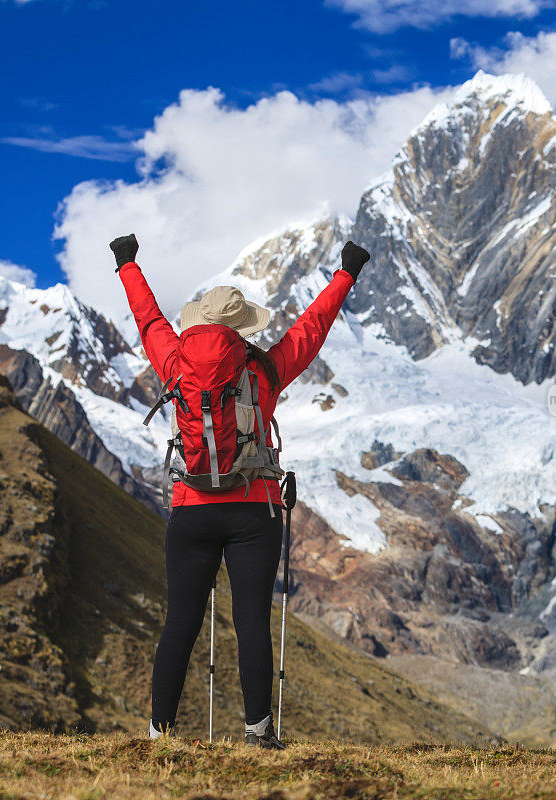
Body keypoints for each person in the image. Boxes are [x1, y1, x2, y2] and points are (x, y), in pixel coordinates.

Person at [109, 232, 370, 748]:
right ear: (239, 330)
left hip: (191, 509)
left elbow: (148, 318)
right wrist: (346, 273)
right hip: (253, 511)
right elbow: (312, 328)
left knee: (179, 621)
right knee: (251, 621)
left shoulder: (175, 361)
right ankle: (258, 734)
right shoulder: (265, 370)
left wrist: (127, 264)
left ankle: (160, 733)